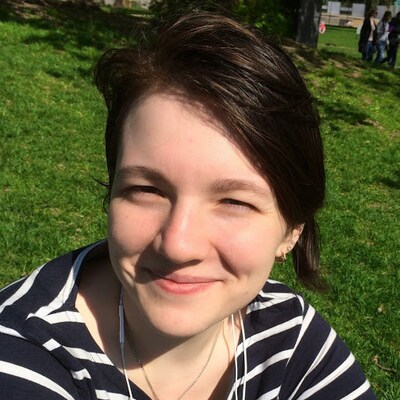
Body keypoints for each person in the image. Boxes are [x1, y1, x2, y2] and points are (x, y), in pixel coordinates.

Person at [0, 12, 377, 400]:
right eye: (148, 190)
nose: (178, 245)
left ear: (291, 230)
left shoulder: (292, 341)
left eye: (233, 201)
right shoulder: (19, 355)